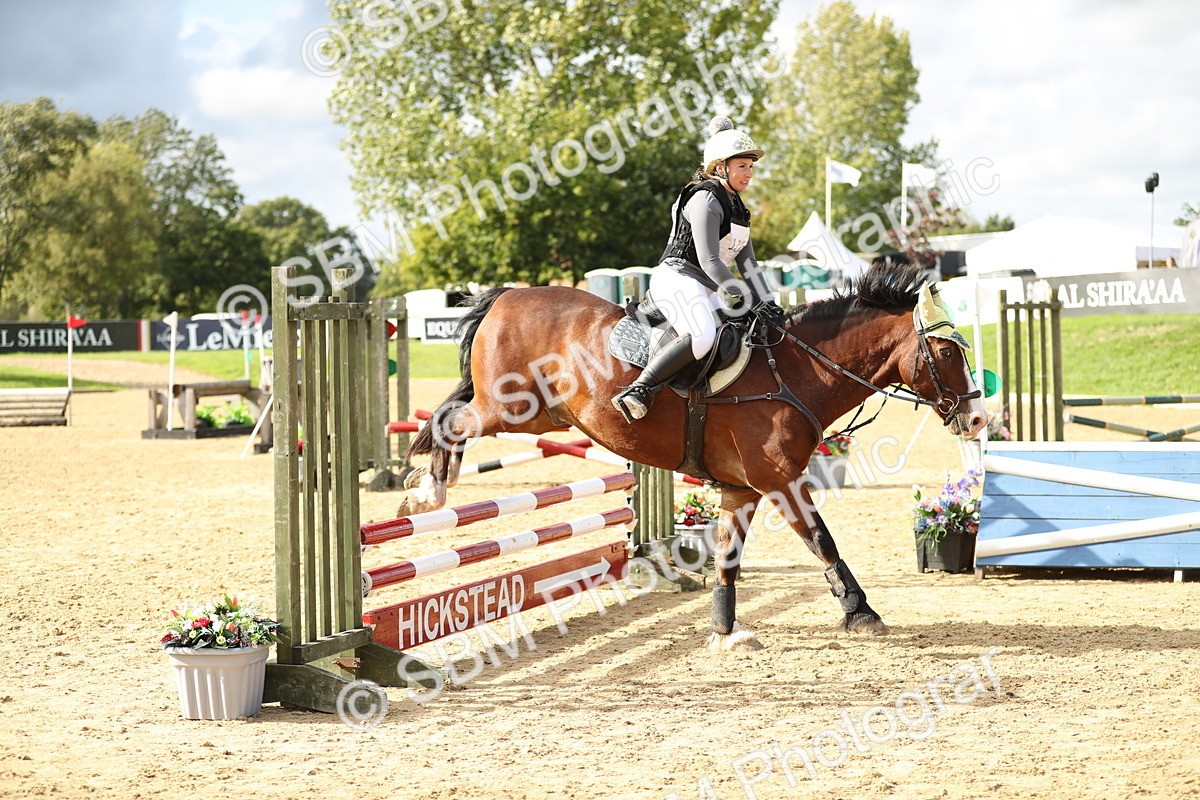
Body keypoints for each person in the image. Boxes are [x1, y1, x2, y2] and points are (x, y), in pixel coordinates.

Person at [612, 116, 784, 422]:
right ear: (721, 168)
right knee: (703, 336)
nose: (750, 173)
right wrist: (748, 298)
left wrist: (769, 302)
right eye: (742, 166)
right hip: (678, 278)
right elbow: (710, 262)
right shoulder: (706, 198)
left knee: (740, 336)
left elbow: (749, 264)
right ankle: (638, 390)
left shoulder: (738, 209)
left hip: (705, 286)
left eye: (751, 166)